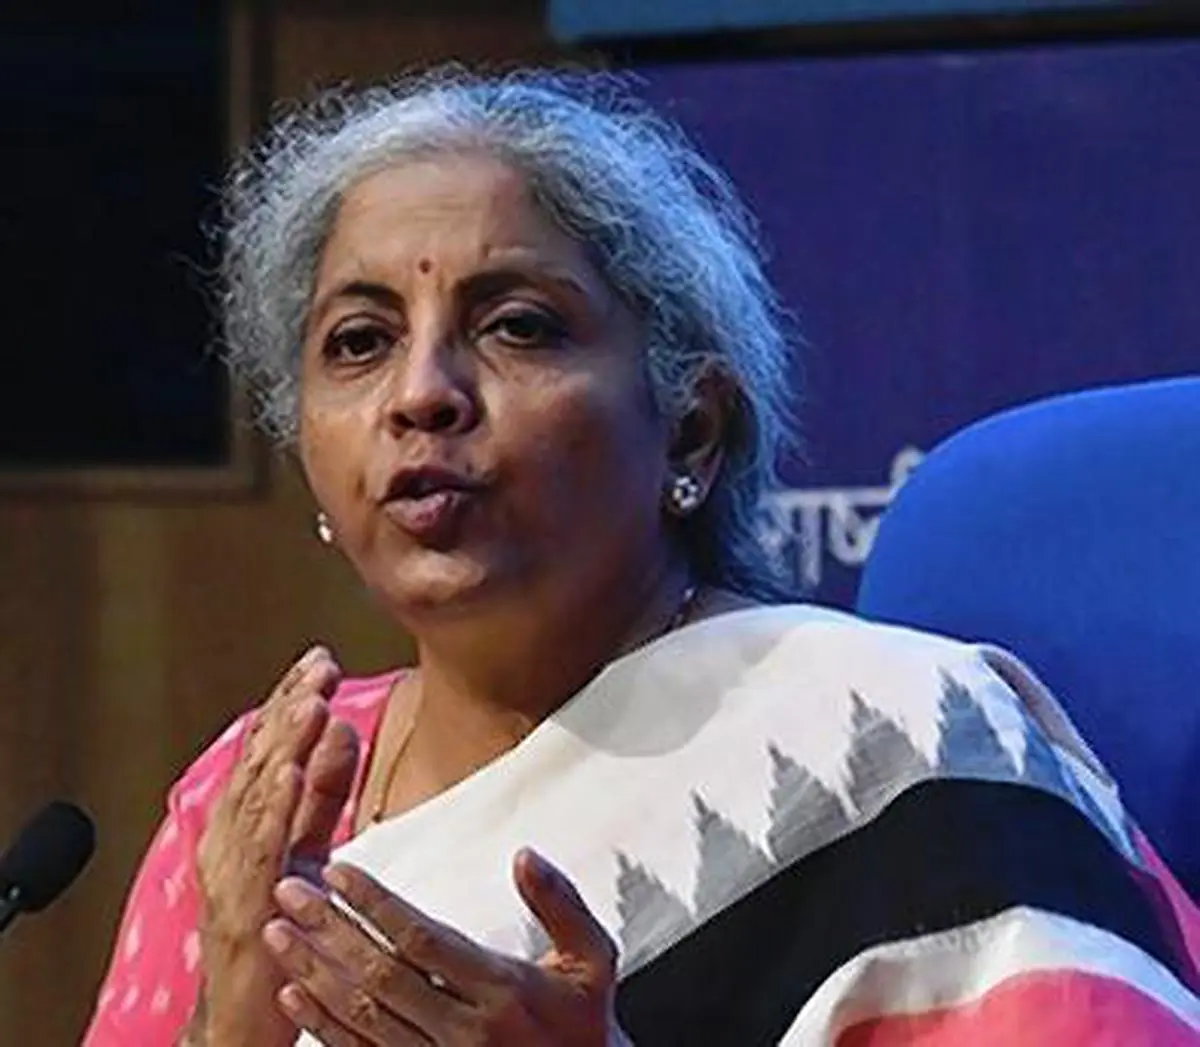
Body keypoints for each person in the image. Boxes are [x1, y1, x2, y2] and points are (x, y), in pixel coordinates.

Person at [83, 68, 1200, 1046]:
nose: (422, 394)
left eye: (517, 324)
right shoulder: (255, 806)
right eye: (360, 343)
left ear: (692, 429)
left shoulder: (901, 744)